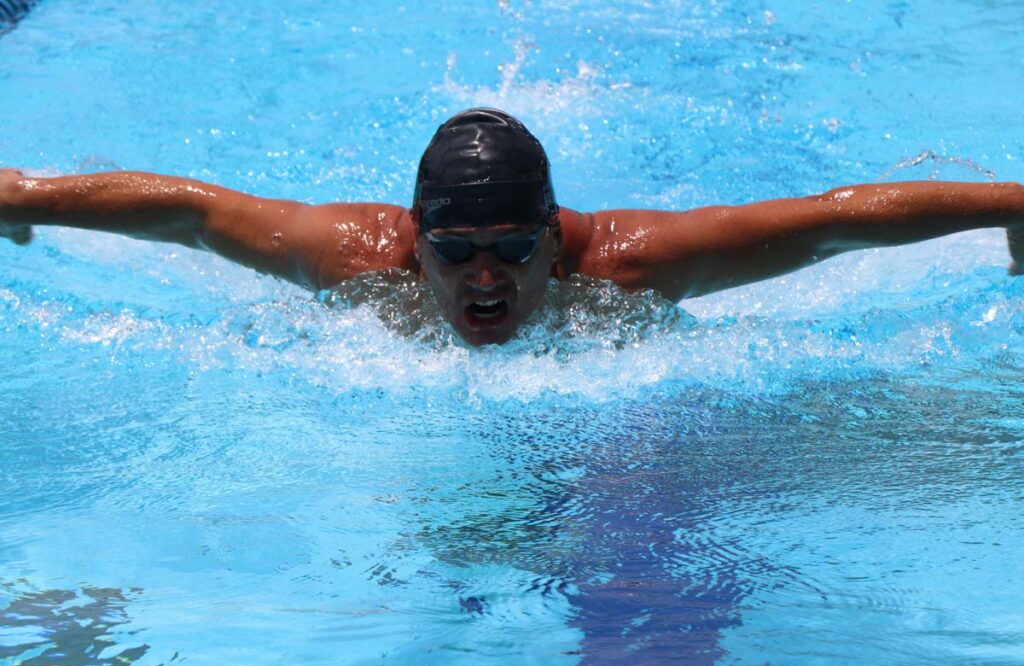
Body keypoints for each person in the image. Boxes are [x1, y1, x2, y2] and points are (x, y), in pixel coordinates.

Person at [1, 108, 1022, 345]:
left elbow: (832, 222)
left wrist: (1013, 207)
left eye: (511, 252)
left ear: (552, 239)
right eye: (455, 253)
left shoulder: (627, 265)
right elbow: (191, 210)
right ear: (416, 240)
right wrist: (27, 194)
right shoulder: (357, 257)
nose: (483, 280)